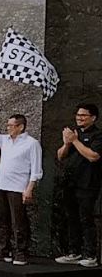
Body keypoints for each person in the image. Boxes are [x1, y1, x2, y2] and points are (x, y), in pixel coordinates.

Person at [0, 105, 43, 265]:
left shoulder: (31, 143)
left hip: (18, 187)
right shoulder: (5, 140)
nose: (8, 128)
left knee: (18, 221)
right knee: (1, 219)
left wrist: (29, 188)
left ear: (21, 127)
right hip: (1, 184)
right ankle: (2, 249)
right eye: (7, 125)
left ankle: (20, 252)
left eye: (11, 125)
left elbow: (36, 169)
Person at [55, 103, 102, 267]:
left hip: (88, 184)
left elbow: (93, 156)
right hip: (70, 183)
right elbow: (60, 156)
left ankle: (90, 255)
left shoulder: (97, 135)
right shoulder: (73, 134)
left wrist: (74, 141)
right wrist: (67, 143)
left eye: (83, 115)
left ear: (93, 118)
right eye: (78, 115)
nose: (79, 118)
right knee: (71, 218)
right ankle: (73, 252)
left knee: (86, 218)